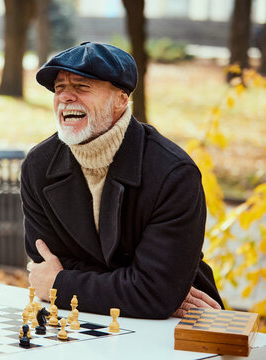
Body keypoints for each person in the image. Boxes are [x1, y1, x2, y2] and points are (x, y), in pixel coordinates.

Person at [22, 42, 224, 319]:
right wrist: (139, 289)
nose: (66, 97)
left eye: (82, 87)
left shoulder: (173, 173)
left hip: (181, 321)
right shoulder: (38, 166)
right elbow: (45, 263)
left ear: (121, 98)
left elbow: (155, 293)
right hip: (82, 318)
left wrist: (61, 284)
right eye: (59, 88)